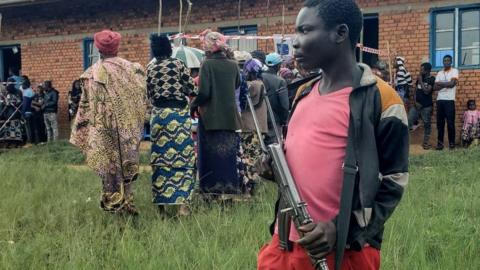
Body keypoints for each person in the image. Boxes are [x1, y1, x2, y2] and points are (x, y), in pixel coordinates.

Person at [257, 1, 409, 270]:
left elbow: (394, 181)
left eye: (305, 31)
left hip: (345, 252)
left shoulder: (381, 100)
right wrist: (274, 169)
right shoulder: (303, 95)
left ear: (340, 33)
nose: (295, 42)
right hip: (285, 246)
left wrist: (341, 229)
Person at [70, 30, 147, 215]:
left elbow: (87, 107)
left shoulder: (93, 73)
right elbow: (142, 98)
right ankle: (128, 202)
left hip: (105, 132)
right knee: (129, 166)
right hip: (129, 130)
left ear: (98, 48)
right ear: (117, 47)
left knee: (110, 171)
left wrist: (83, 130)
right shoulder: (134, 69)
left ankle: (115, 207)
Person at [147, 34, 197, 216]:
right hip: (178, 116)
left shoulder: (150, 68)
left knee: (161, 160)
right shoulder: (178, 65)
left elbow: (148, 93)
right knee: (183, 159)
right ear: (169, 48)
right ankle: (183, 205)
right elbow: (192, 89)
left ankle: (161, 206)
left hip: (159, 117)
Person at [191, 30, 242, 199]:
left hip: (210, 117)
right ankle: (230, 188)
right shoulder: (234, 65)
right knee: (228, 154)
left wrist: (193, 104)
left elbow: (204, 92)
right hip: (229, 117)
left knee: (210, 155)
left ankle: (210, 190)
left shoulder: (207, 64)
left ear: (209, 46)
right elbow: (237, 84)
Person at [240, 58, 268, 196]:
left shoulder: (253, 86)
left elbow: (242, 101)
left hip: (249, 128)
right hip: (257, 128)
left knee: (249, 160)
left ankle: (249, 190)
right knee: (254, 159)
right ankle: (252, 189)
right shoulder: (260, 83)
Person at [263, 52, 289, 145]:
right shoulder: (280, 81)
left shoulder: (258, 77)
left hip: (259, 119)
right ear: (278, 66)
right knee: (274, 151)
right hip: (274, 121)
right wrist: (284, 120)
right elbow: (284, 105)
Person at [408, 62, 435, 149]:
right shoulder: (419, 78)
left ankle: (425, 143)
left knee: (427, 125)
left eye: (422, 69)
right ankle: (404, 143)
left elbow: (427, 91)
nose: (420, 71)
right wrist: (415, 102)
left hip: (426, 107)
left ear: (427, 71)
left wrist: (421, 81)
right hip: (416, 106)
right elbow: (415, 91)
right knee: (408, 122)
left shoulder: (431, 79)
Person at [434, 54, 459, 150]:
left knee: (450, 123)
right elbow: (435, 87)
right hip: (440, 100)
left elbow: (452, 84)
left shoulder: (454, 71)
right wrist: (446, 84)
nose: (446, 62)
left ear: (451, 62)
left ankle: (452, 144)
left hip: (449, 100)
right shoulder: (439, 73)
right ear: (443, 62)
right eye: (445, 60)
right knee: (440, 123)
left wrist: (440, 83)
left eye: (448, 60)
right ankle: (440, 144)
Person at [0, 78, 24, 148]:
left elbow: (20, 102)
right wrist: (2, 112)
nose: (8, 85)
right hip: (8, 113)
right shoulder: (7, 92)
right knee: (8, 127)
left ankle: (16, 142)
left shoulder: (18, 92)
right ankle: (9, 141)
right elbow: (5, 102)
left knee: (15, 127)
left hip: (15, 112)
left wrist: (14, 103)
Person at [20, 76, 34, 143]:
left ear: (25, 85)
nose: (21, 86)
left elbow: (25, 104)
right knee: (31, 127)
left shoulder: (27, 92)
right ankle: (31, 141)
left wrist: (22, 114)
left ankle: (29, 142)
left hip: (27, 112)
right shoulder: (31, 91)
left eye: (22, 84)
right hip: (31, 111)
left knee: (28, 128)